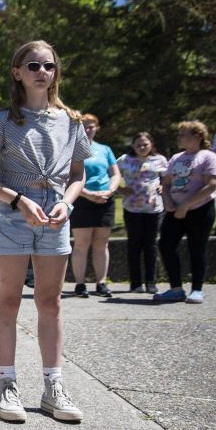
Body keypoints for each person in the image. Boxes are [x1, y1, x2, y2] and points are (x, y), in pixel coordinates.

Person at [0, 40, 92, 424]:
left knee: (50, 301)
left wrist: (68, 203)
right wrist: (19, 201)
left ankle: (53, 387)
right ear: (17, 73)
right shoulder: (2, 121)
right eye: (34, 65)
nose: (43, 71)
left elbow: (78, 175)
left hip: (56, 217)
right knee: (9, 299)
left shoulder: (71, 122)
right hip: (13, 216)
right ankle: (7, 384)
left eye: (50, 65)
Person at [153, 121, 216, 303]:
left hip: (200, 210)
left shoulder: (208, 157)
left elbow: (211, 184)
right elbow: (165, 184)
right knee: (165, 244)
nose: (179, 137)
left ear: (197, 136)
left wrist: (185, 206)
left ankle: (197, 290)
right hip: (174, 210)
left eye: (183, 134)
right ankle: (176, 289)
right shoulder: (176, 157)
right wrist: (168, 202)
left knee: (197, 248)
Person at [69, 114, 120, 297]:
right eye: (84, 126)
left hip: (104, 200)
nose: (88, 129)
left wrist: (110, 190)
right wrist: (88, 194)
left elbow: (115, 173)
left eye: (91, 126)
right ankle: (80, 284)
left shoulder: (104, 149)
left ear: (97, 127)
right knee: (81, 244)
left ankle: (101, 283)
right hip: (82, 199)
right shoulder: (72, 148)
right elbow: (68, 177)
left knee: (101, 243)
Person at [116, 132, 167, 293]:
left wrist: (163, 186)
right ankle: (135, 282)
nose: (142, 147)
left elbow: (168, 179)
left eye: (145, 144)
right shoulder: (124, 160)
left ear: (151, 144)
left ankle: (151, 281)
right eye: (138, 144)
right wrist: (120, 188)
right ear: (133, 145)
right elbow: (111, 175)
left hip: (153, 208)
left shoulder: (159, 160)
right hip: (132, 208)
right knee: (134, 244)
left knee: (150, 244)